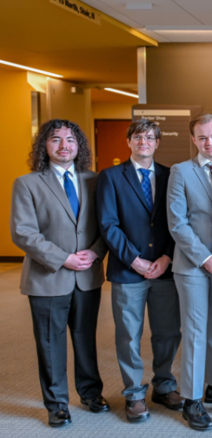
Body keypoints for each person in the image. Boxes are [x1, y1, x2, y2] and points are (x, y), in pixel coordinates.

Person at [11, 119, 109, 428]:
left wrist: (95, 251)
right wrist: (63, 258)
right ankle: (56, 404)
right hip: (47, 277)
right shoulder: (27, 183)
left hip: (87, 275)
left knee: (85, 339)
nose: (64, 145)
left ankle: (91, 393)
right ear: (44, 146)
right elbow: (23, 233)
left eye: (70, 140)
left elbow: (107, 224)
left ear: (80, 146)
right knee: (50, 342)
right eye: (56, 140)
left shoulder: (95, 180)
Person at [97, 119, 183, 423]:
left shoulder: (172, 175)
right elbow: (108, 224)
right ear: (129, 141)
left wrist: (167, 257)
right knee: (128, 336)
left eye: (149, 137)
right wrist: (134, 259)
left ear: (158, 142)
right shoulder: (110, 177)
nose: (143, 141)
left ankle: (164, 384)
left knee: (168, 332)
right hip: (128, 270)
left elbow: (179, 221)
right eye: (138, 137)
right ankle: (134, 393)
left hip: (164, 269)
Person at [166, 114, 212, 431]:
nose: (209, 142)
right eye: (202, 137)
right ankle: (192, 399)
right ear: (193, 140)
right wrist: (205, 258)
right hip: (192, 266)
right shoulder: (180, 172)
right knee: (195, 331)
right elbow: (177, 223)